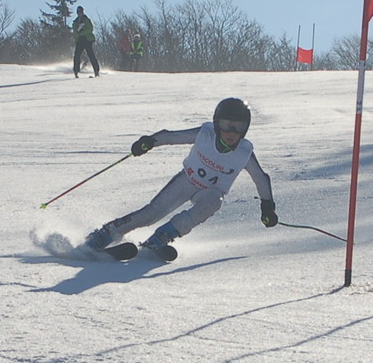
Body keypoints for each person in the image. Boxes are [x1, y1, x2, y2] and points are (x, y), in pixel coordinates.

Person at [83, 97, 278, 259]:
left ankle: (161, 237)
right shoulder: (205, 134)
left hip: (209, 192)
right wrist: (149, 142)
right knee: (150, 214)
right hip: (187, 181)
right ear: (217, 123)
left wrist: (267, 206)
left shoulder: (244, 152)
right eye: (226, 125)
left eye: (238, 127)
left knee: (214, 202)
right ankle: (104, 234)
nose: (231, 133)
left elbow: (261, 179)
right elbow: (171, 137)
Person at [72, 6, 100, 78]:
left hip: (87, 40)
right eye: (78, 12)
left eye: (81, 12)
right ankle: (76, 71)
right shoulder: (75, 22)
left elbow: (90, 29)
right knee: (76, 55)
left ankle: (96, 71)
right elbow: (74, 31)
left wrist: (81, 33)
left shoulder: (86, 20)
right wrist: (77, 34)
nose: (80, 13)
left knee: (91, 55)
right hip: (79, 40)